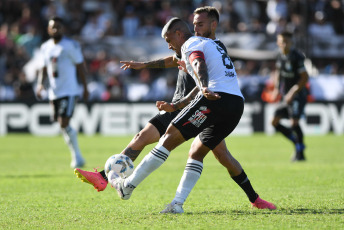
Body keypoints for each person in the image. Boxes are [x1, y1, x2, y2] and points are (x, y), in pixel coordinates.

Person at [74, 6, 275, 211]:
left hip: (204, 101)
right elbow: (178, 61)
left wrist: (189, 96)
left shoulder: (193, 44)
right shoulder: (211, 45)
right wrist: (146, 66)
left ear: (213, 25)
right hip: (231, 102)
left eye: (200, 24)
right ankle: (244, 199)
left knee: (159, 138)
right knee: (208, 153)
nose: (196, 28)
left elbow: (197, 64)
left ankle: (121, 184)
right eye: (194, 23)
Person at [36, 17, 89, 168]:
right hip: (54, 91)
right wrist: (40, 85)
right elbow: (44, 68)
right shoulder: (45, 47)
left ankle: (77, 157)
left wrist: (85, 87)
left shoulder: (70, 45)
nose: (55, 30)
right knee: (61, 124)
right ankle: (77, 155)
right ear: (48, 29)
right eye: (53, 27)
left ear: (63, 29)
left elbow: (80, 66)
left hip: (69, 90)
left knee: (63, 122)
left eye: (58, 27)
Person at [271, 30, 309, 161]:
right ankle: (298, 143)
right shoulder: (279, 55)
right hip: (286, 95)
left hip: (298, 95)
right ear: (278, 42)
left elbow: (304, 78)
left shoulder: (297, 56)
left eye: (286, 42)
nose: (284, 44)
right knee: (274, 121)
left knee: (294, 123)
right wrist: (276, 89)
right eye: (282, 42)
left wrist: (292, 92)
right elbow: (278, 72)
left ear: (291, 42)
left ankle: (300, 153)